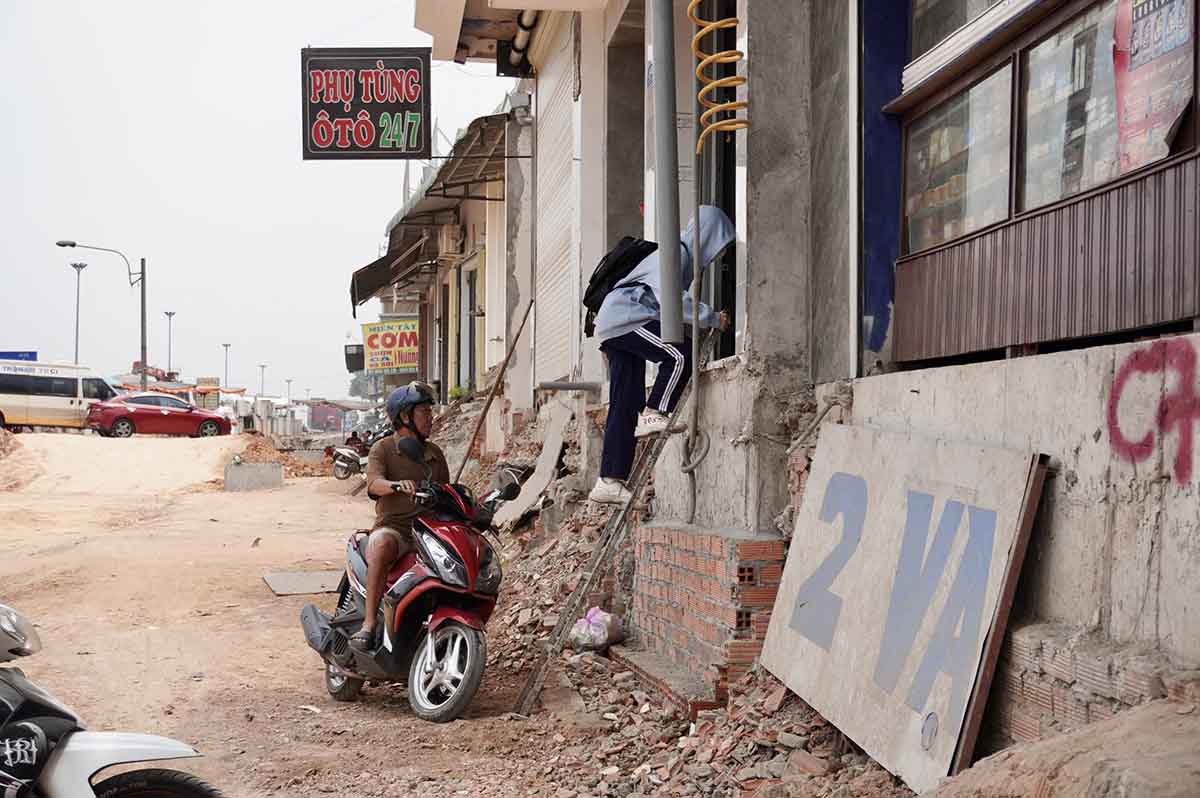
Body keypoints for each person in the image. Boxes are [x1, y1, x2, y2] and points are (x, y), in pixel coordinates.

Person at [588, 206, 734, 505]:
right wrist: (711, 318)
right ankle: (656, 412)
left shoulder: (677, 255)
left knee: (624, 403)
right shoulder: (675, 253)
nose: (717, 254)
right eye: (718, 244)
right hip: (625, 319)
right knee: (679, 355)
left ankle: (609, 480)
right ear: (707, 236)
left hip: (614, 323)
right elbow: (671, 300)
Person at [349, 381, 450, 651]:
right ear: (405, 416)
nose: (431, 417)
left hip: (428, 531)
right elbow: (373, 484)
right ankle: (369, 624)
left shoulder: (434, 453)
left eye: (431, 411)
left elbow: (447, 491)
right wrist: (395, 485)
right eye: (424, 412)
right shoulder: (382, 448)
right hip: (395, 528)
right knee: (381, 543)